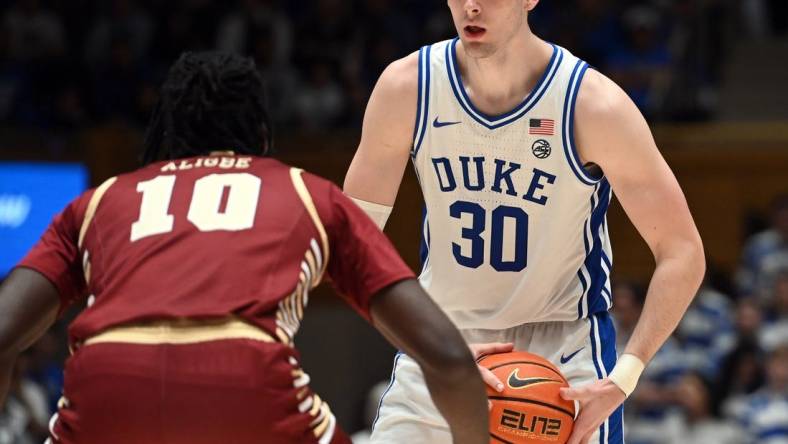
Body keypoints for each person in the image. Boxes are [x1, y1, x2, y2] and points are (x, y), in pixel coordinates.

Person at [0, 51, 489, 444]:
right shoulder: (305, 192)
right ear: (261, 134)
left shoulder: (99, 200)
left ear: (164, 135)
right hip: (244, 379)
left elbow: (3, 333)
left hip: (107, 383)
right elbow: (446, 356)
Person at [343, 1, 705, 443]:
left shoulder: (594, 106)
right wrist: (422, 339)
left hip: (562, 358)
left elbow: (682, 251)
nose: (471, 6)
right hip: (443, 341)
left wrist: (625, 375)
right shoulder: (408, 88)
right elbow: (349, 249)